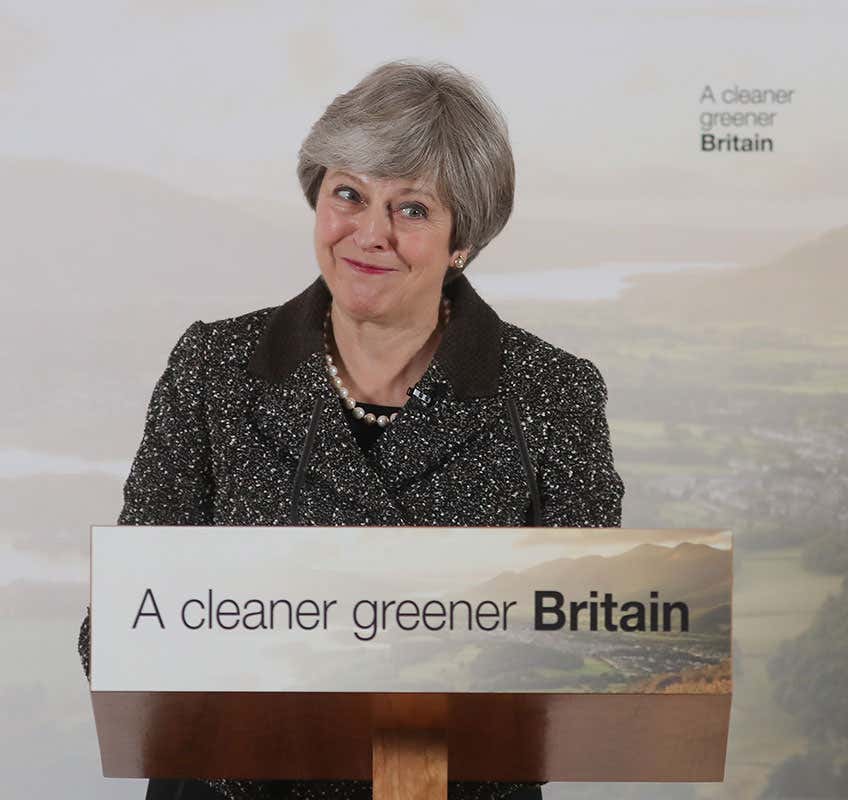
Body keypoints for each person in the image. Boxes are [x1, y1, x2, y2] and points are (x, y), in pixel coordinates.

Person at [76, 60, 624, 800]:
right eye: (349, 195)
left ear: (463, 238)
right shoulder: (213, 367)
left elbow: (586, 658)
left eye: (413, 209)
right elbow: (115, 632)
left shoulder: (552, 395)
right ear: (316, 198)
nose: (369, 234)